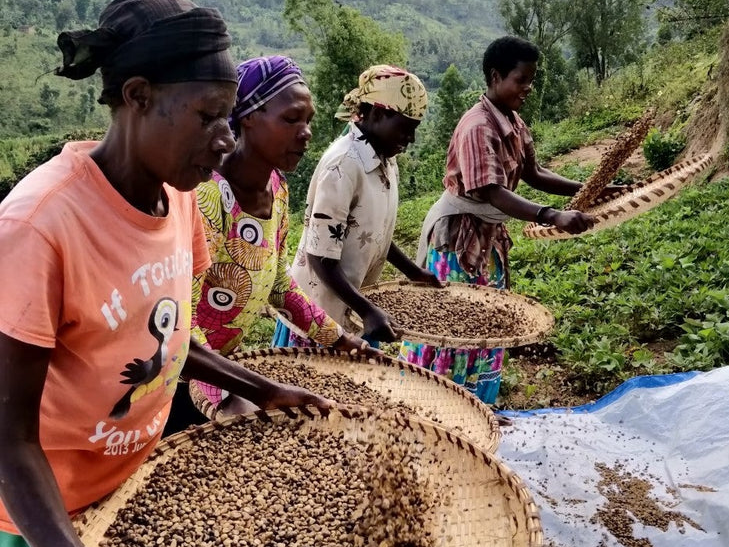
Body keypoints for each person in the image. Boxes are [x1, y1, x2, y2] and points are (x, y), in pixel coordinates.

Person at [0, 0, 332, 547]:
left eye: (229, 117)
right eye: (209, 116)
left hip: (132, 505)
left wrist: (260, 385)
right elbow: (7, 440)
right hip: (42, 537)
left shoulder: (176, 200)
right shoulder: (38, 227)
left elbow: (168, 341)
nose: (225, 138)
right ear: (138, 98)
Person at [167, 55, 369, 431]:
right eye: (291, 119)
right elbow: (181, 328)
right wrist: (234, 393)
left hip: (228, 369)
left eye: (308, 121)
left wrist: (339, 340)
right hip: (178, 382)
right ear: (247, 117)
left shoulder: (277, 189)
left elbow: (278, 284)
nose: (306, 132)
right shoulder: (209, 197)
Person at [399, 35, 596, 405]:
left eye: (531, 80)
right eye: (521, 80)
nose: (528, 88)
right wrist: (551, 215)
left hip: (489, 238)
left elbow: (534, 172)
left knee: (488, 325)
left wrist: (592, 186)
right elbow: (490, 191)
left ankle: (478, 407)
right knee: (454, 328)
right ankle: (431, 408)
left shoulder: (513, 122)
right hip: (459, 240)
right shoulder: (478, 127)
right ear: (495, 76)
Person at [276, 64, 440, 347]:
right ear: (377, 114)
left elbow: (375, 233)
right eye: (405, 129)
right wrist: (368, 310)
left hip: (356, 306)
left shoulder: (386, 160)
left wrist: (413, 271)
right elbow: (320, 257)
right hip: (321, 316)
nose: (410, 140)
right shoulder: (343, 166)